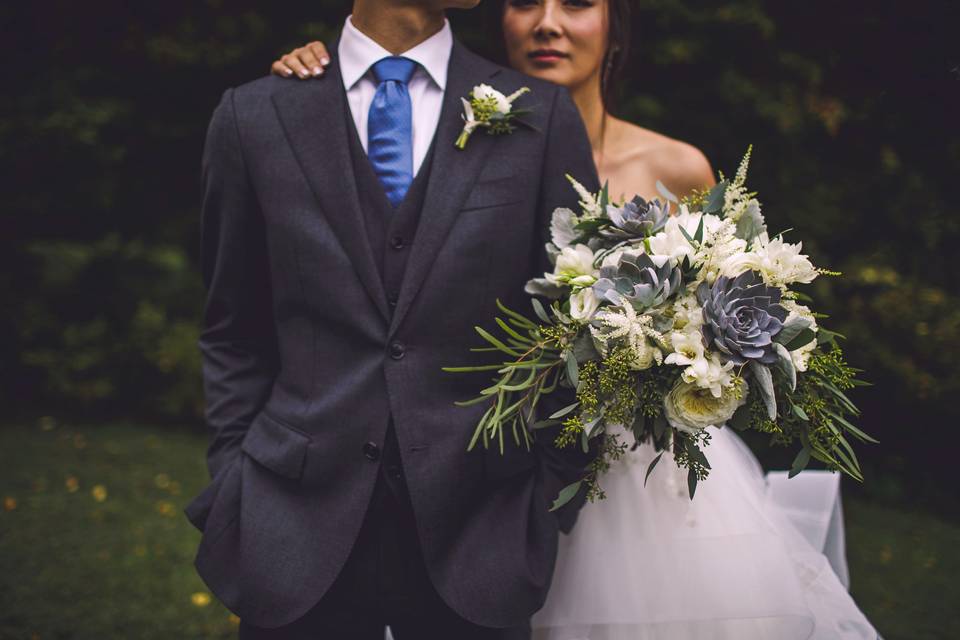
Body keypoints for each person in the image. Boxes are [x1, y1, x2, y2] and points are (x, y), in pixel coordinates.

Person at [268, 1, 881, 639]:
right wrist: (328, 74)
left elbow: (728, 301)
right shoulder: (443, 138)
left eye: (578, 4)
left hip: (639, 474)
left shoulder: (676, 167)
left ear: (616, 28)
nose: (548, 24)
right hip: (478, 469)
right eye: (526, 2)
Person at [183, 0, 601, 637]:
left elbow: (580, 324)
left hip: (481, 528)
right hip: (292, 526)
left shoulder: (539, 115)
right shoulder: (256, 114)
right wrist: (235, 484)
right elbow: (232, 328)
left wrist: (545, 496)